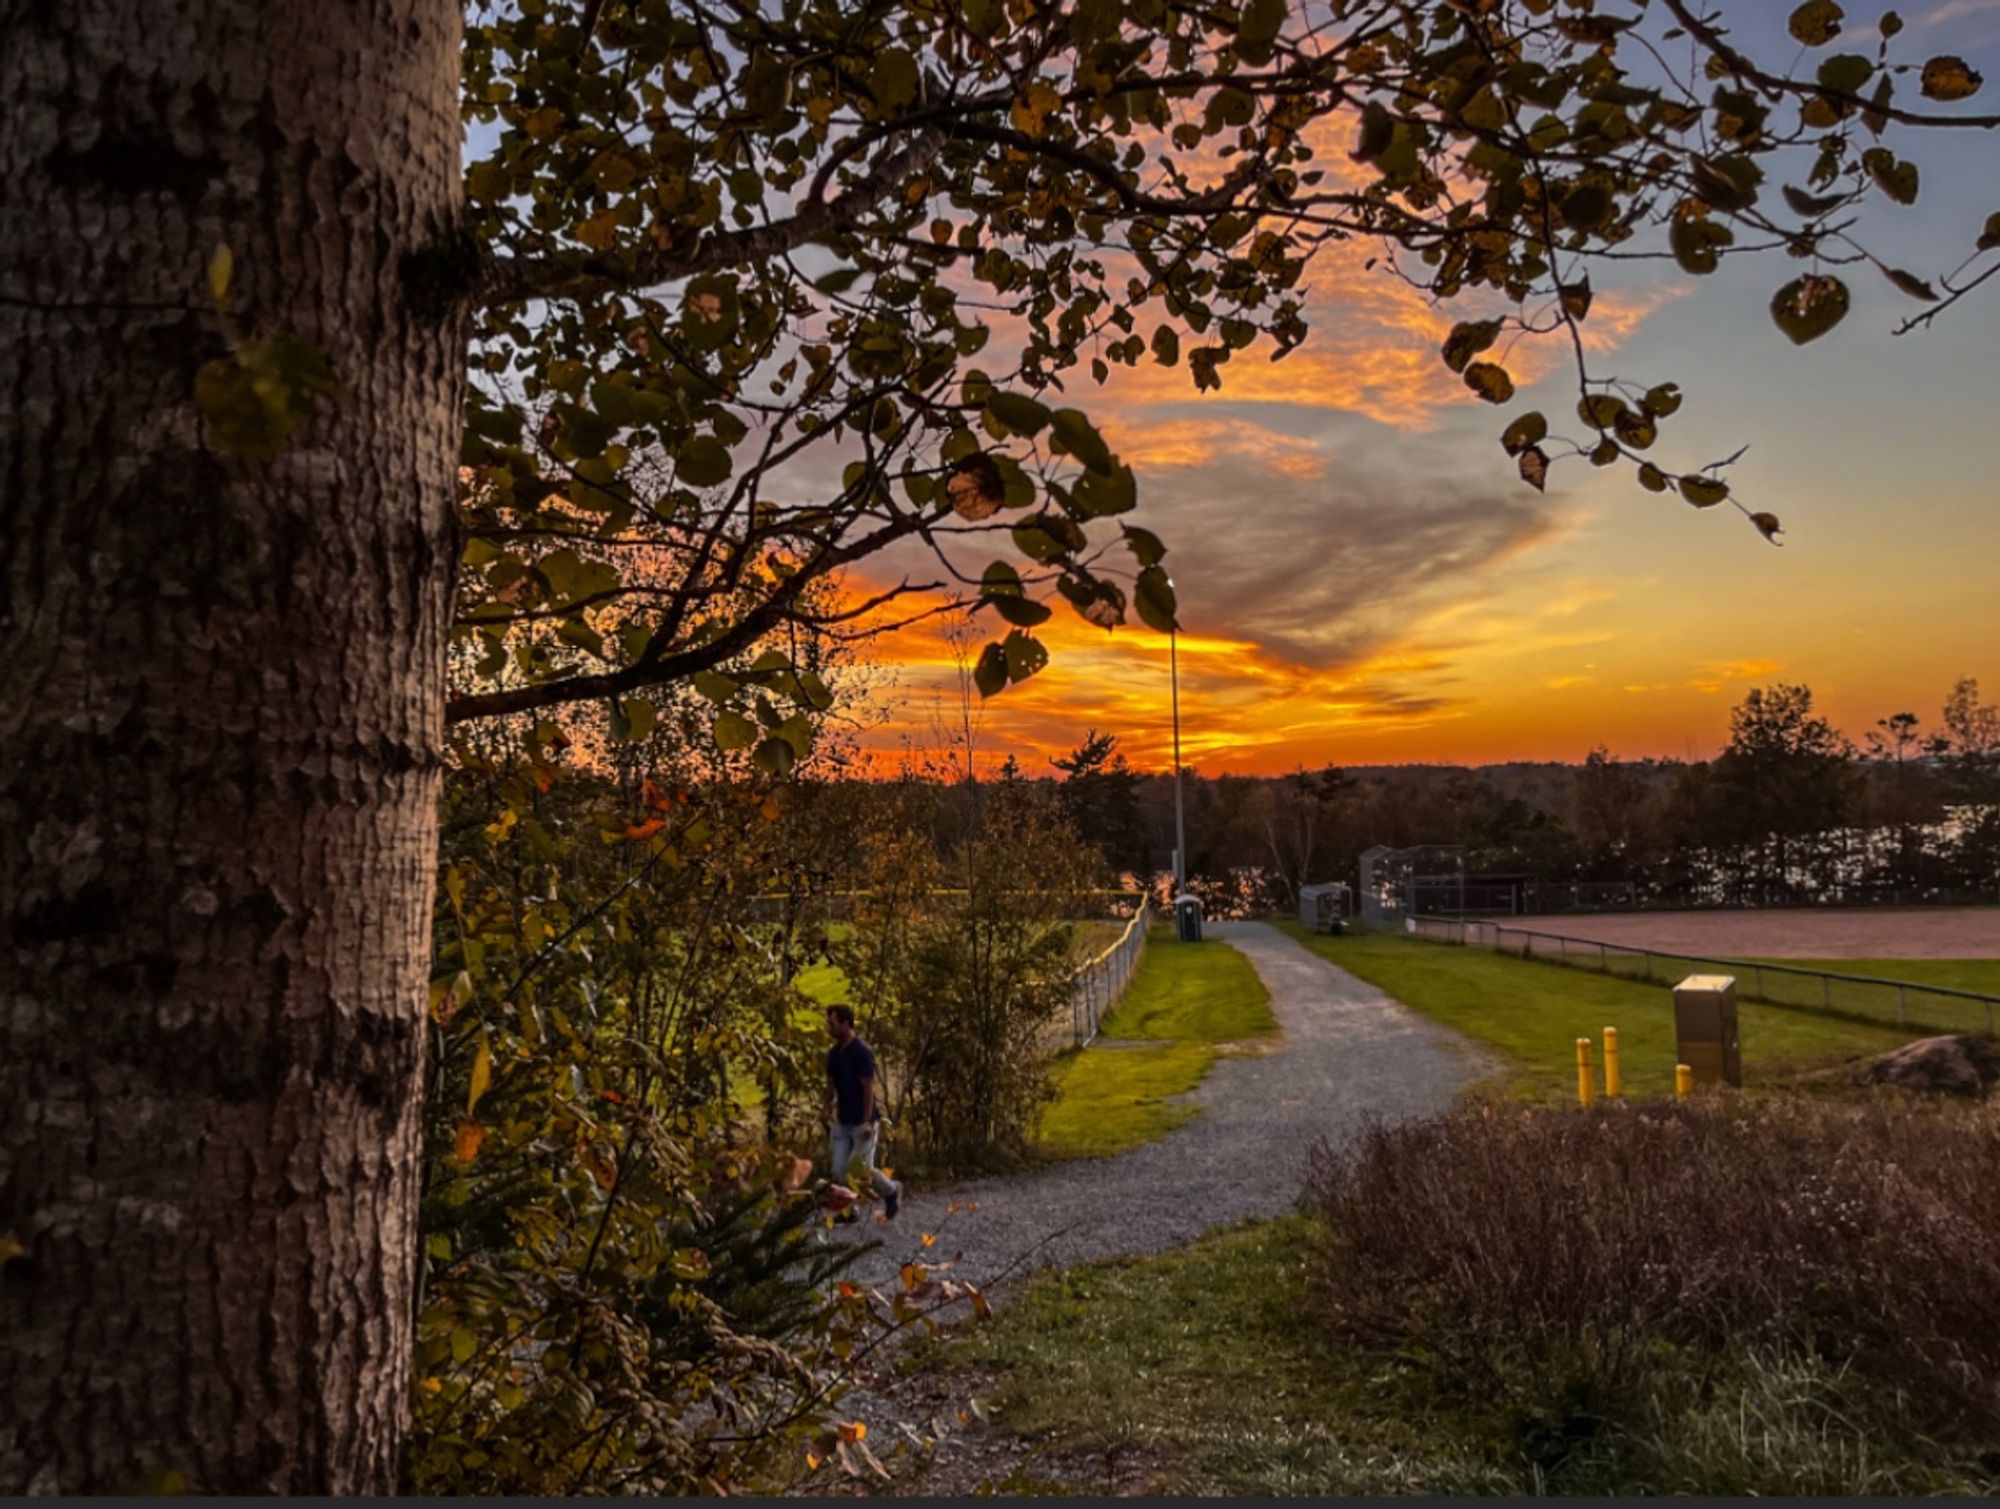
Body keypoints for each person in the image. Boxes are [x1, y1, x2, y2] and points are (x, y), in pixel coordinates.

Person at [822, 1005, 901, 1221]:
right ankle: (849, 1210)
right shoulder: (833, 1055)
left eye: (833, 1023)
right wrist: (826, 1109)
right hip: (842, 1120)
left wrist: (867, 1121)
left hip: (861, 1121)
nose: (829, 1028)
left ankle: (891, 1190)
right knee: (838, 1171)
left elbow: (868, 1087)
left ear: (846, 1023)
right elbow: (831, 1086)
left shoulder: (861, 1052)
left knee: (860, 1169)